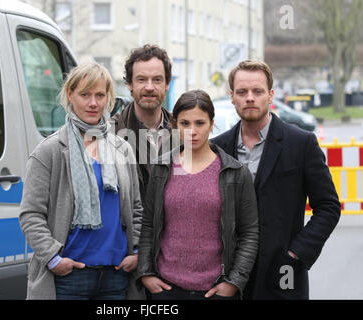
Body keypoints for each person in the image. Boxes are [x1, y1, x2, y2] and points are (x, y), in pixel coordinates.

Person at [212, 60, 341, 299]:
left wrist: (296, 253)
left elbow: (329, 207)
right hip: (227, 276)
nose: (249, 98)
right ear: (232, 97)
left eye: (257, 91)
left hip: (282, 273)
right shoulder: (217, 148)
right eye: (242, 92)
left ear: (270, 95)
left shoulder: (301, 144)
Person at [19, 62, 143, 300]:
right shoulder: (50, 151)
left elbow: (136, 207)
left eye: (99, 95)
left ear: (108, 97)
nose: (93, 103)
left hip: (116, 274)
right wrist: (53, 259)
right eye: (85, 94)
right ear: (70, 95)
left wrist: (136, 250)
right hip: (69, 277)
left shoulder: (122, 149)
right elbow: (31, 214)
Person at [137, 89, 259, 300]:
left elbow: (249, 233)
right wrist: (146, 273)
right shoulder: (161, 168)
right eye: (185, 123)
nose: (192, 131)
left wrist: (233, 282)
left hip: (215, 290)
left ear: (211, 124)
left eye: (200, 123)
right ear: (175, 125)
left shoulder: (235, 172)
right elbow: (149, 225)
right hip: (166, 290)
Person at [111, 44, 174, 202]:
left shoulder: (184, 130)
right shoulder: (110, 133)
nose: (149, 87)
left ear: (167, 84)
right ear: (130, 84)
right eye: (141, 79)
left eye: (157, 79)